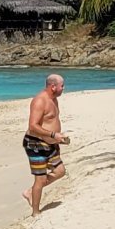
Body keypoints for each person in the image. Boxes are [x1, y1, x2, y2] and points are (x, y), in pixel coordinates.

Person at [23, 72, 69, 211]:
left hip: (51, 143)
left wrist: (58, 138)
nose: (64, 88)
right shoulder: (40, 101)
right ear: (53, 86)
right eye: (62, 86)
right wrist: (53, 134)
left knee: (60, 171)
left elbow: (51, 121)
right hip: (36, 144)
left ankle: (30, 192)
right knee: (40, 179)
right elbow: (33, 126)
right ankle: (35, 212)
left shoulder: (54, 99)